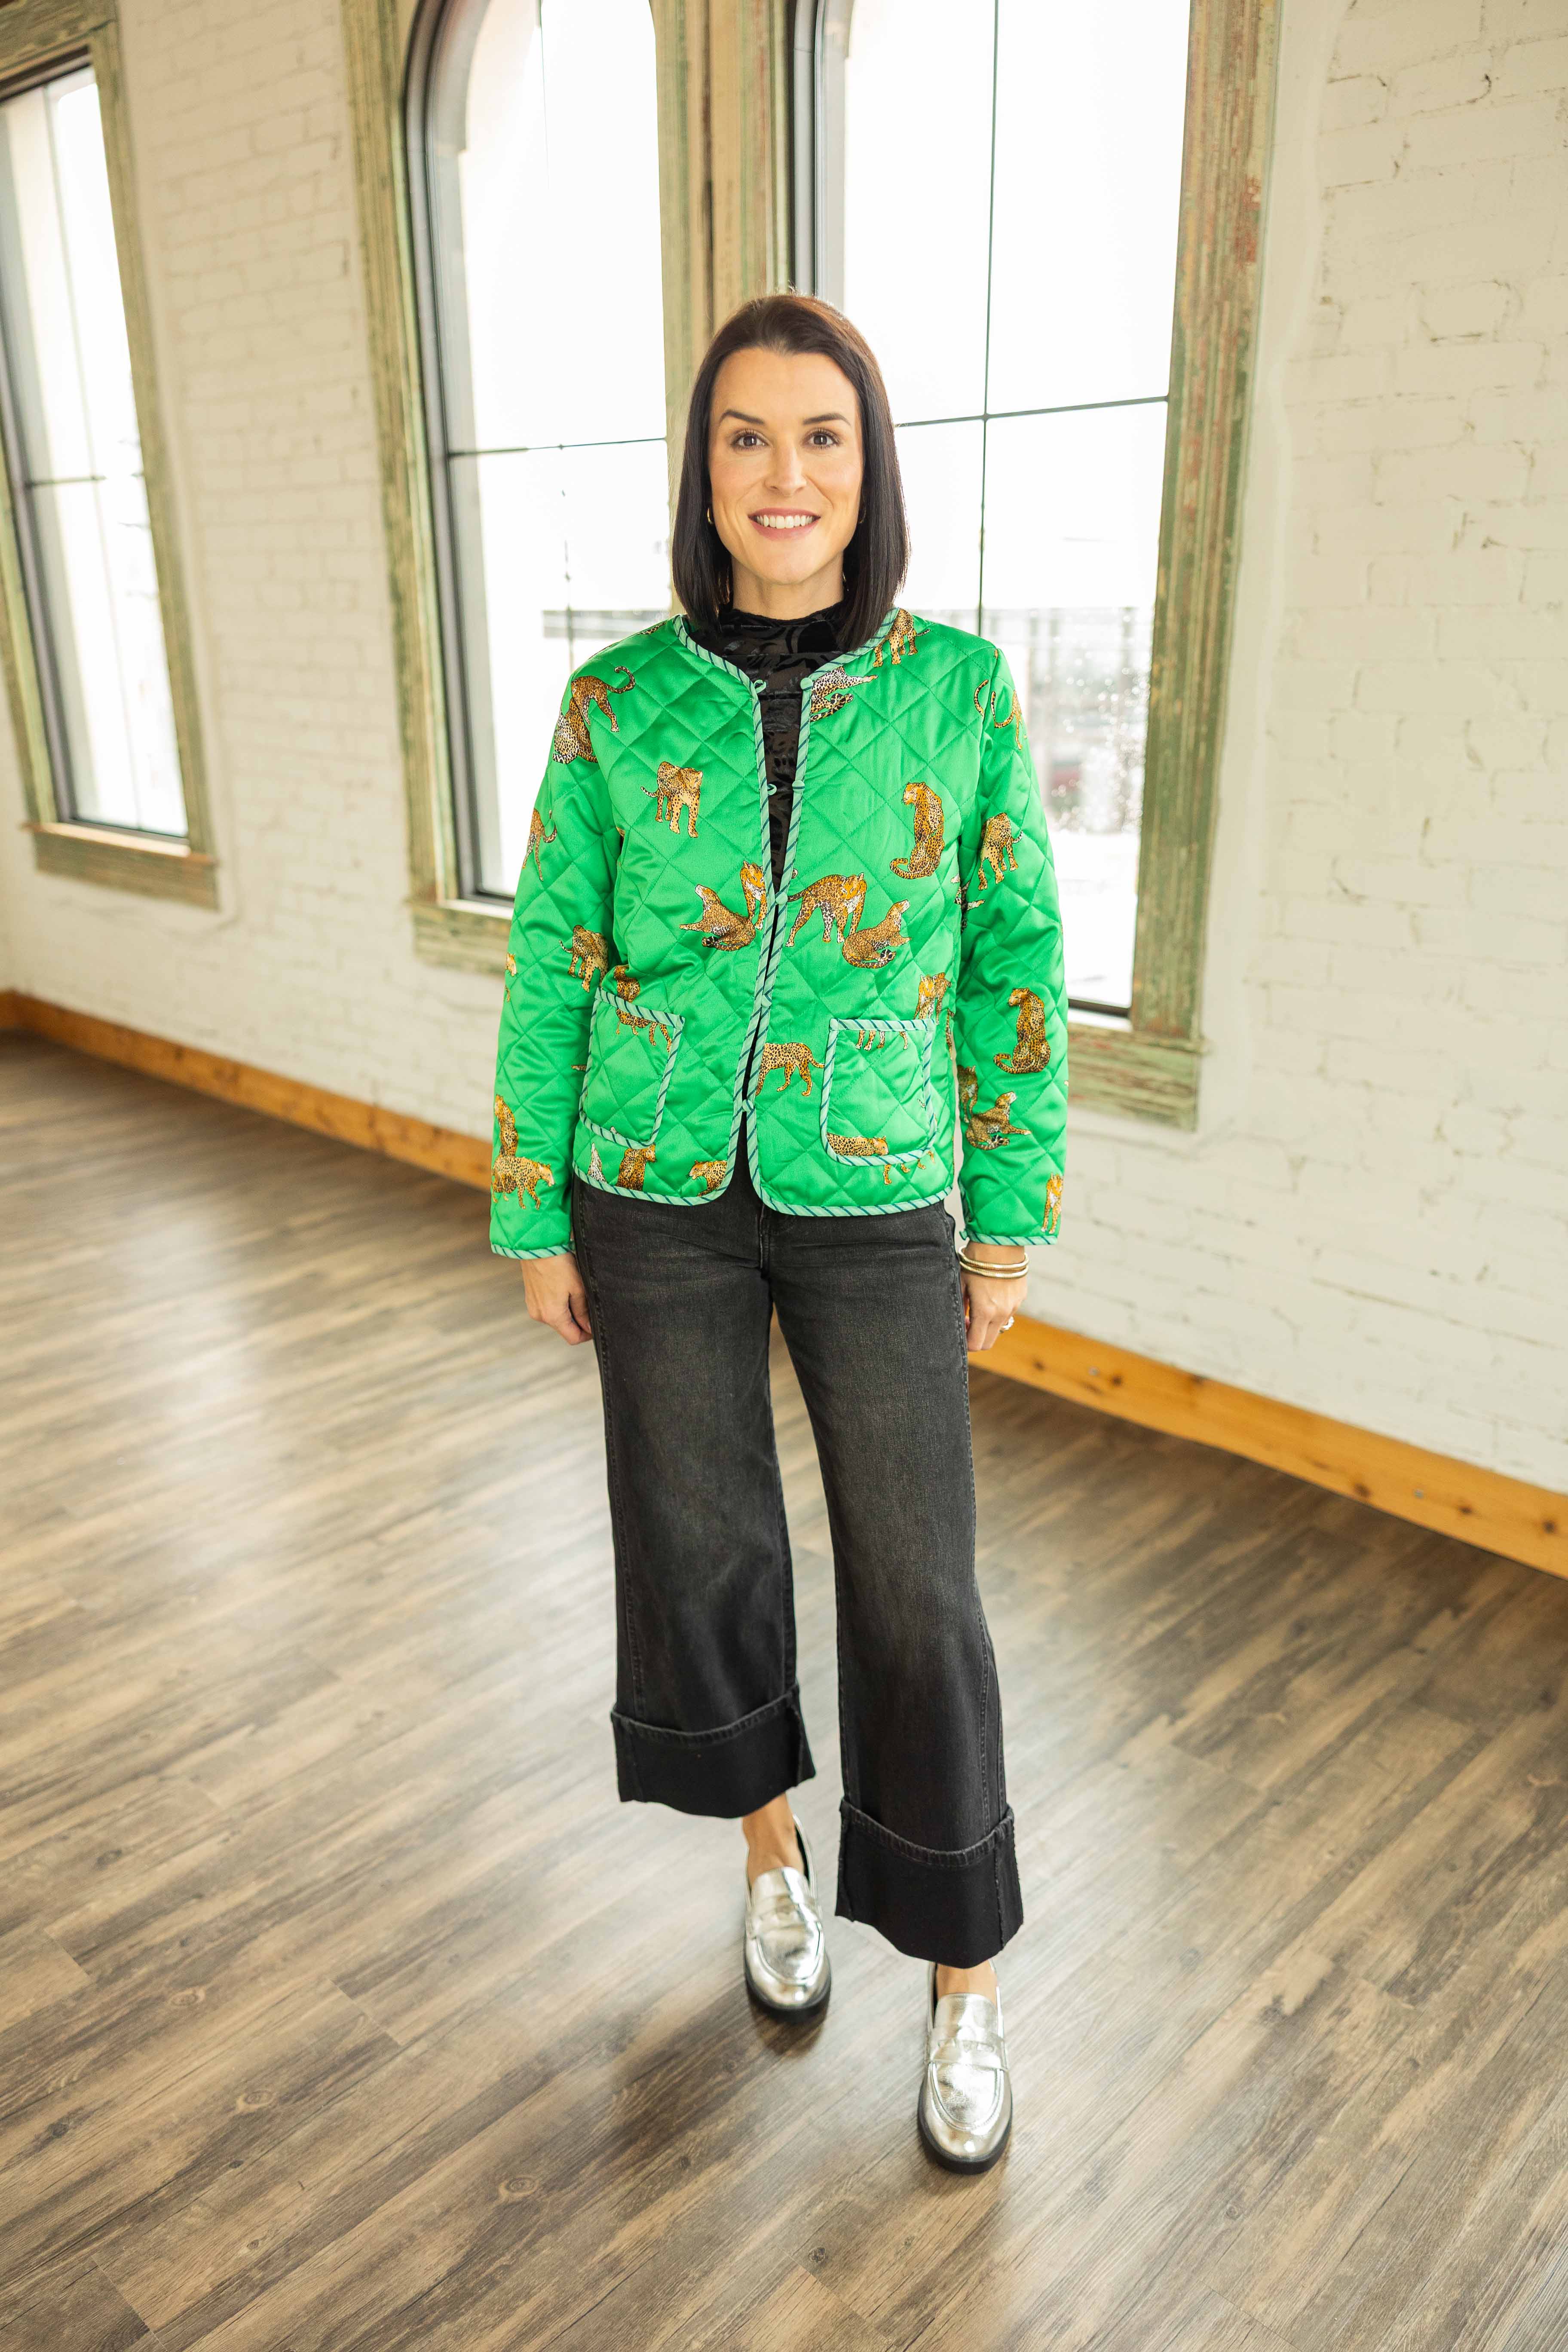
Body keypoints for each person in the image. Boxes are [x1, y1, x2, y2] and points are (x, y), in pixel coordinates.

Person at [490, 292, 1067, 2171]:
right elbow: (552, 957)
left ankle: (966, 1984)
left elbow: (1015, 966)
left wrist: (1007, 1221)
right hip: (648, 1188)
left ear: (868, 468)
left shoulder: (960, 691)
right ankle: (770, 1863)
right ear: (707, 469)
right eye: (747, 436)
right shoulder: (614, 703)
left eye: (824, 436)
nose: (786, 473)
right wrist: (531, 1206)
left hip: (877, 1183)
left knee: (920, 1585)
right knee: (704, 1540)